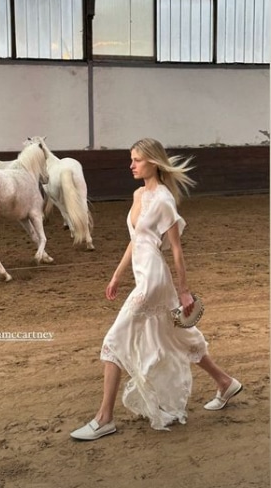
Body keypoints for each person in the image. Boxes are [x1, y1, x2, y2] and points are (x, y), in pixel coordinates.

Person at [70, 138, 242, 441]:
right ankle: (225, 382)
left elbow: (176, 249)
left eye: (137, 159)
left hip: (153, 280)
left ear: (154, 162)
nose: (132, 164)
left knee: (113, 339)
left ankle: (104, 418)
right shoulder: (138, 194)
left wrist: (184, 291)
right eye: (131, 159)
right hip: (141, 276)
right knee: (175, 335)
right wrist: (117, 275)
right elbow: (136, 239)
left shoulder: (163, 199)